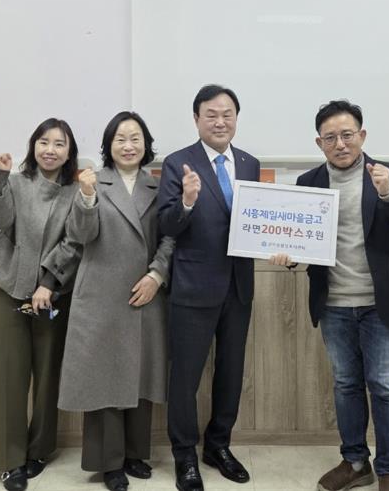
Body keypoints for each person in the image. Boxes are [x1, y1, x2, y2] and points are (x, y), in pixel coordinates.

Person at [293, 100, 389, 491]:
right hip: (334, 303)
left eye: (347, 135)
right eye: (330, 137)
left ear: (362, 136)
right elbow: (302, 240)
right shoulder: (308, 182)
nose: (340, 144)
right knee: (346, 385)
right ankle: (355, 463)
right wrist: (289, 255)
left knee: (385, 386)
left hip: (380, 304)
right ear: (319, 143)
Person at [57, 111, 174, 491]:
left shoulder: (158, 186)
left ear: (146, 144)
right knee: (104, 378)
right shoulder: (93, 181)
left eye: (135, 138)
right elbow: (81, 236)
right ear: (109, 145)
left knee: (141, 375)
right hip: (101, 295)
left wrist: (157, 275)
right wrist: (87, 197)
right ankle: (109, 462)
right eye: (120, 138)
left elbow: (170, 238)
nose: (128, 145)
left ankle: (136, 453)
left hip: (145, 293)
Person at [158, 84, 260, 491]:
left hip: (239, 286)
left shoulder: (250, 163)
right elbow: (166, 225)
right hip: (193, 285)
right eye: (211, 115)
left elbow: (258, 223)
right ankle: (184, 454)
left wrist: (280, 248)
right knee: (185, 377)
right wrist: (186, 201)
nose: (220, 122)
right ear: (197, 119)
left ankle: (218, 446)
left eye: (227, 114)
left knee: (231, 373)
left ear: (237, 118)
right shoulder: (177, 163)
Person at [0, 118, 82, 491]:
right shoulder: (17, 182)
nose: (50, 150)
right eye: (43, 142)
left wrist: (48, 283)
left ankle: (39, 450)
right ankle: (10, 460)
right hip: (9, 290)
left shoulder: (76, 191)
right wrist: (0, 178)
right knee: (9, 376)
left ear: (69, 152)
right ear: (33, 146)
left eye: (59, 143)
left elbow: (75, 243)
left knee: (48, 373)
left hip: (53, 296)